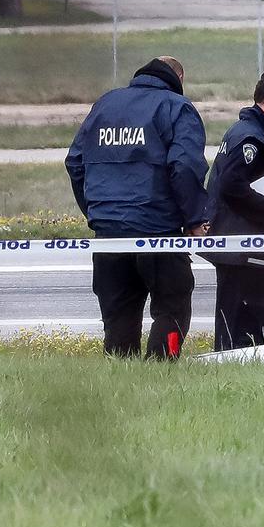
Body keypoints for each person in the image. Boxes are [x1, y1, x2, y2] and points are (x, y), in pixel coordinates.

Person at [66, 56, 208, 359]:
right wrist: (195, 218)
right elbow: (184, 166)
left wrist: (97, 211)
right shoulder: (176, 107)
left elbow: (75, 162)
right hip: (158, 231)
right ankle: (160, 371)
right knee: (172, 308)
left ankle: (121, 376)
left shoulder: (105, 105)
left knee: (118, 316)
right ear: (179, 79)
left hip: (108, 236)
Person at [204, 68, 264, 351]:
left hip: (245, 248)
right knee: (242, 336)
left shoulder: (252, 132)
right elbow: (231, 186)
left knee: (245, 331)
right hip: (244, 252)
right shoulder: (251, 138)